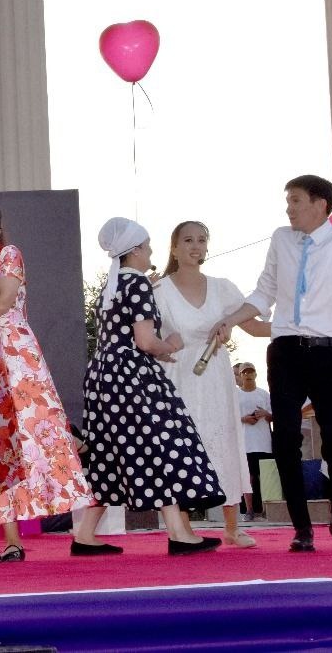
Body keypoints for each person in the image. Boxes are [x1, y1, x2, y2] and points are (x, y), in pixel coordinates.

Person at [212, 174, 332, 553]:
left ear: (320, 204)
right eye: (288, 201)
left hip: (329, 352)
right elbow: (265, 290)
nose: (289, 209)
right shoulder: (281, 239)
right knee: (285, 437)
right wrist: (232, 319)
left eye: (296, 201)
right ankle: (301, 528)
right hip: (285, 350)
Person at [74, 217, 224, 557]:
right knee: (162, 443)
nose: (152, 252)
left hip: (103, 375)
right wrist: (169, 344)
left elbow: (122, 337)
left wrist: (156, 348)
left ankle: (84, 535)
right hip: (132, 376)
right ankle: (178, 533)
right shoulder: (138, 284)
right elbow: (144, 341)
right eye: (148, 246)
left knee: (107, 451)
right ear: (136, 250)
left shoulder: (111, 286)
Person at [0, 199, 92, 561]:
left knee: (31, 434)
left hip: (15, 355)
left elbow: (2, 304)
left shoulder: (9, 254)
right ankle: (11, 539)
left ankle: (69, 449)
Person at [153, 221, 270, 548]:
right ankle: (184, 530)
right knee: (181, 447)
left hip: (215, 377)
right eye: (188, 240)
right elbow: (144, 336)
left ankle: (232, 527)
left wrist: (302, 324)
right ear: (174, 248)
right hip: (177, 376)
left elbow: (255, 328)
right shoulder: (158, 289)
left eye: (202, 240)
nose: (196, 246)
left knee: (224, 441)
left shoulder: (223, 288)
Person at [235, 363, 273, 521]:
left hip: (263, 442)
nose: (248, 375)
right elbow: (229, 418)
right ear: (240, 375)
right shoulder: (235, 395)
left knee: (265, 476)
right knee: (248, 477)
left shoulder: (264, 394)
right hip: (245, 443)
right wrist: (244, 419)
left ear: (256, 374)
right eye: (245, 372)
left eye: (251, 372)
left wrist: (264, 413)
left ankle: (265, 509)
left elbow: (273, 416)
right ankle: (249, 509)